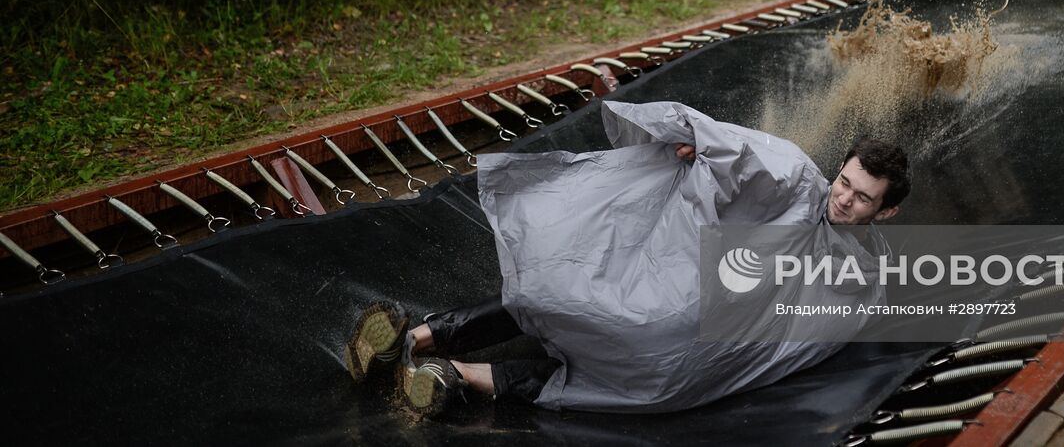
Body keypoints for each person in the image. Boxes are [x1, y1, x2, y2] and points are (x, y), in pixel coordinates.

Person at [344, 100, 910, 418]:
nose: (844, 197)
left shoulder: (861, 279)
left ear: (884, 214)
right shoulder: (801, 180)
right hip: (683, 283)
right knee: (570, 292)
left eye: (861, 197)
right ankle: (417, 342)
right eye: (845, 180)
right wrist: (694, 141)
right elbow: (741, 150)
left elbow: (791, 341)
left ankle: (456, 377)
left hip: (706, 340)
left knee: (640, 359)